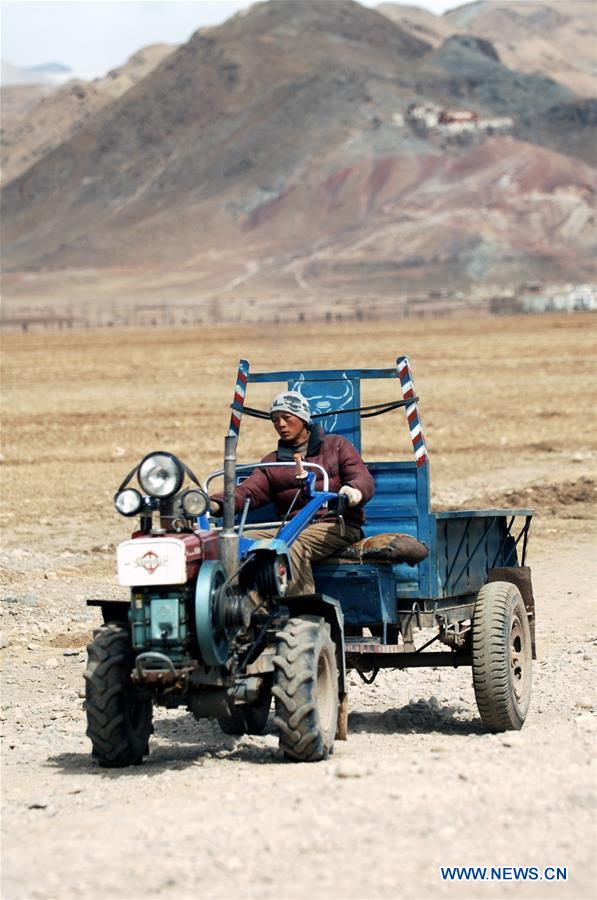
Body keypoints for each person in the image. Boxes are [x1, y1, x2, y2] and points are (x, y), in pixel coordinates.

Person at [210, 391, 375, 596]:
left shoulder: (336, 446)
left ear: (303, 418)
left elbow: (362, 478)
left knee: (291, 545)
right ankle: (245, 608)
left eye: (286, 417)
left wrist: (352, 492)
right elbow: (248, 491)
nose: (281, 424)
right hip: (290, 527)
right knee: (237, 542)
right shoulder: (273, 462)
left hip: (336, 524)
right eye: (275, 420)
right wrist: (215, 503)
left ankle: (302, 609)